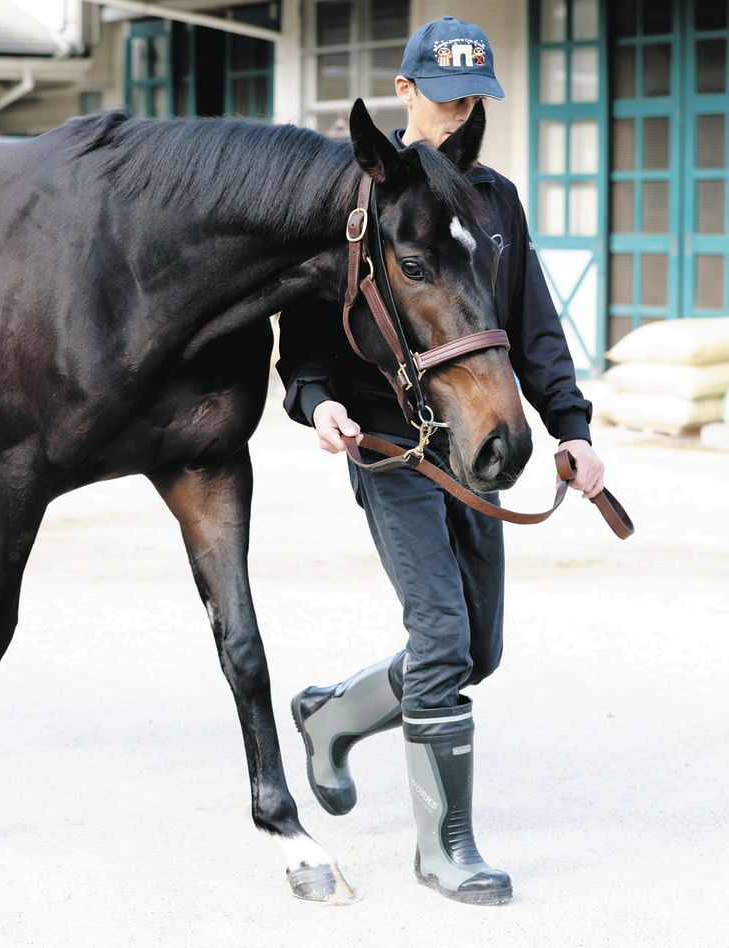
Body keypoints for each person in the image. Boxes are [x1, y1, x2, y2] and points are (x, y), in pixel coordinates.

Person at [277, 16, 607, 906]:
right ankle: (445, 848)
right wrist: (320, 400)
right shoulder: (353, 198)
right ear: (407, 90)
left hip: (474, 442)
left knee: (478, 650)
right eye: (448, 96)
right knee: (442, 637)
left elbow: (526, 324)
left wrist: (570, 427)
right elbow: (304, 333)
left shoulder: (492, 200)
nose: (461, 114)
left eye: (475, 100)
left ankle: (330, 715)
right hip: (390, 444)